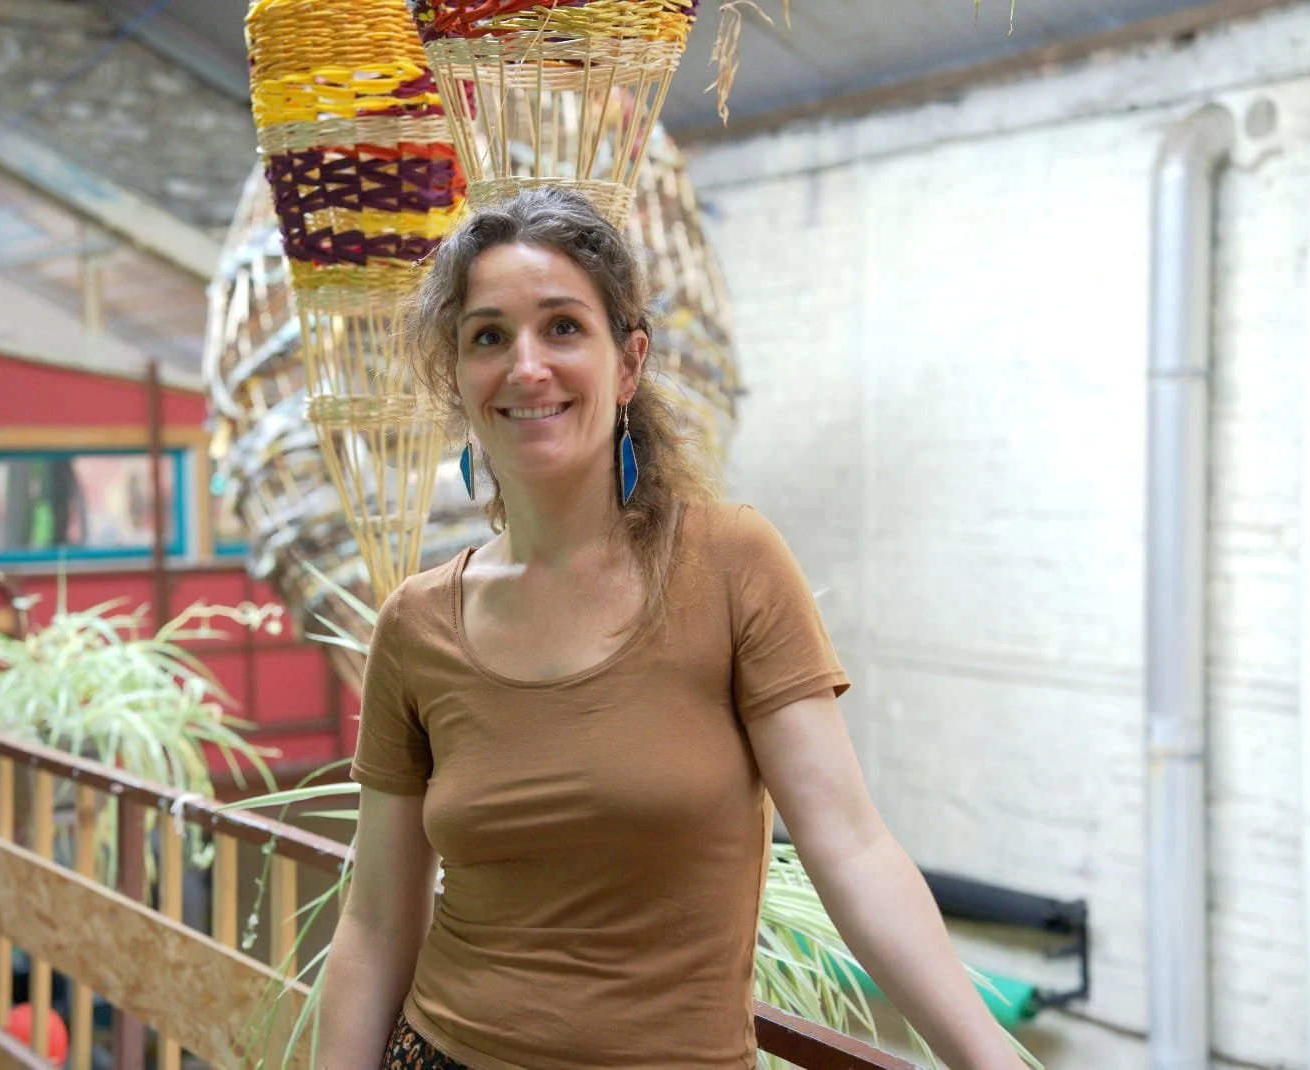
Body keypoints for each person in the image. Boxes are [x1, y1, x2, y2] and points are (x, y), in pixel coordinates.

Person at [318, 187, 1025, 1070]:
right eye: (488, 336)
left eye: (564, 328)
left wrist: (989, 1062)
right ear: (459, 379)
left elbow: (848, 844)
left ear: (630, 363)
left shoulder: (731, 565)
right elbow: (379, 923)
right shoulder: (420, 623)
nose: (525, 365)